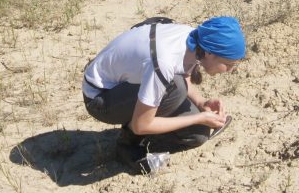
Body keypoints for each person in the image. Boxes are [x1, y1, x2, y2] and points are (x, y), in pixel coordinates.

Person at [82, 16, 245, 173]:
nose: (230, 70)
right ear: (210, 53)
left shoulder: (196, 39)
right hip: (100, 98)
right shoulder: (163, 63)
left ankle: (150, 128)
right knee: (175, 88)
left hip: (129, 84)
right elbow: (141, 125)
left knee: (198, 135)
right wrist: (199, 118)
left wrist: (201, 103)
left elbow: (182, 71)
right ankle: (128, 142)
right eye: (228, 64)